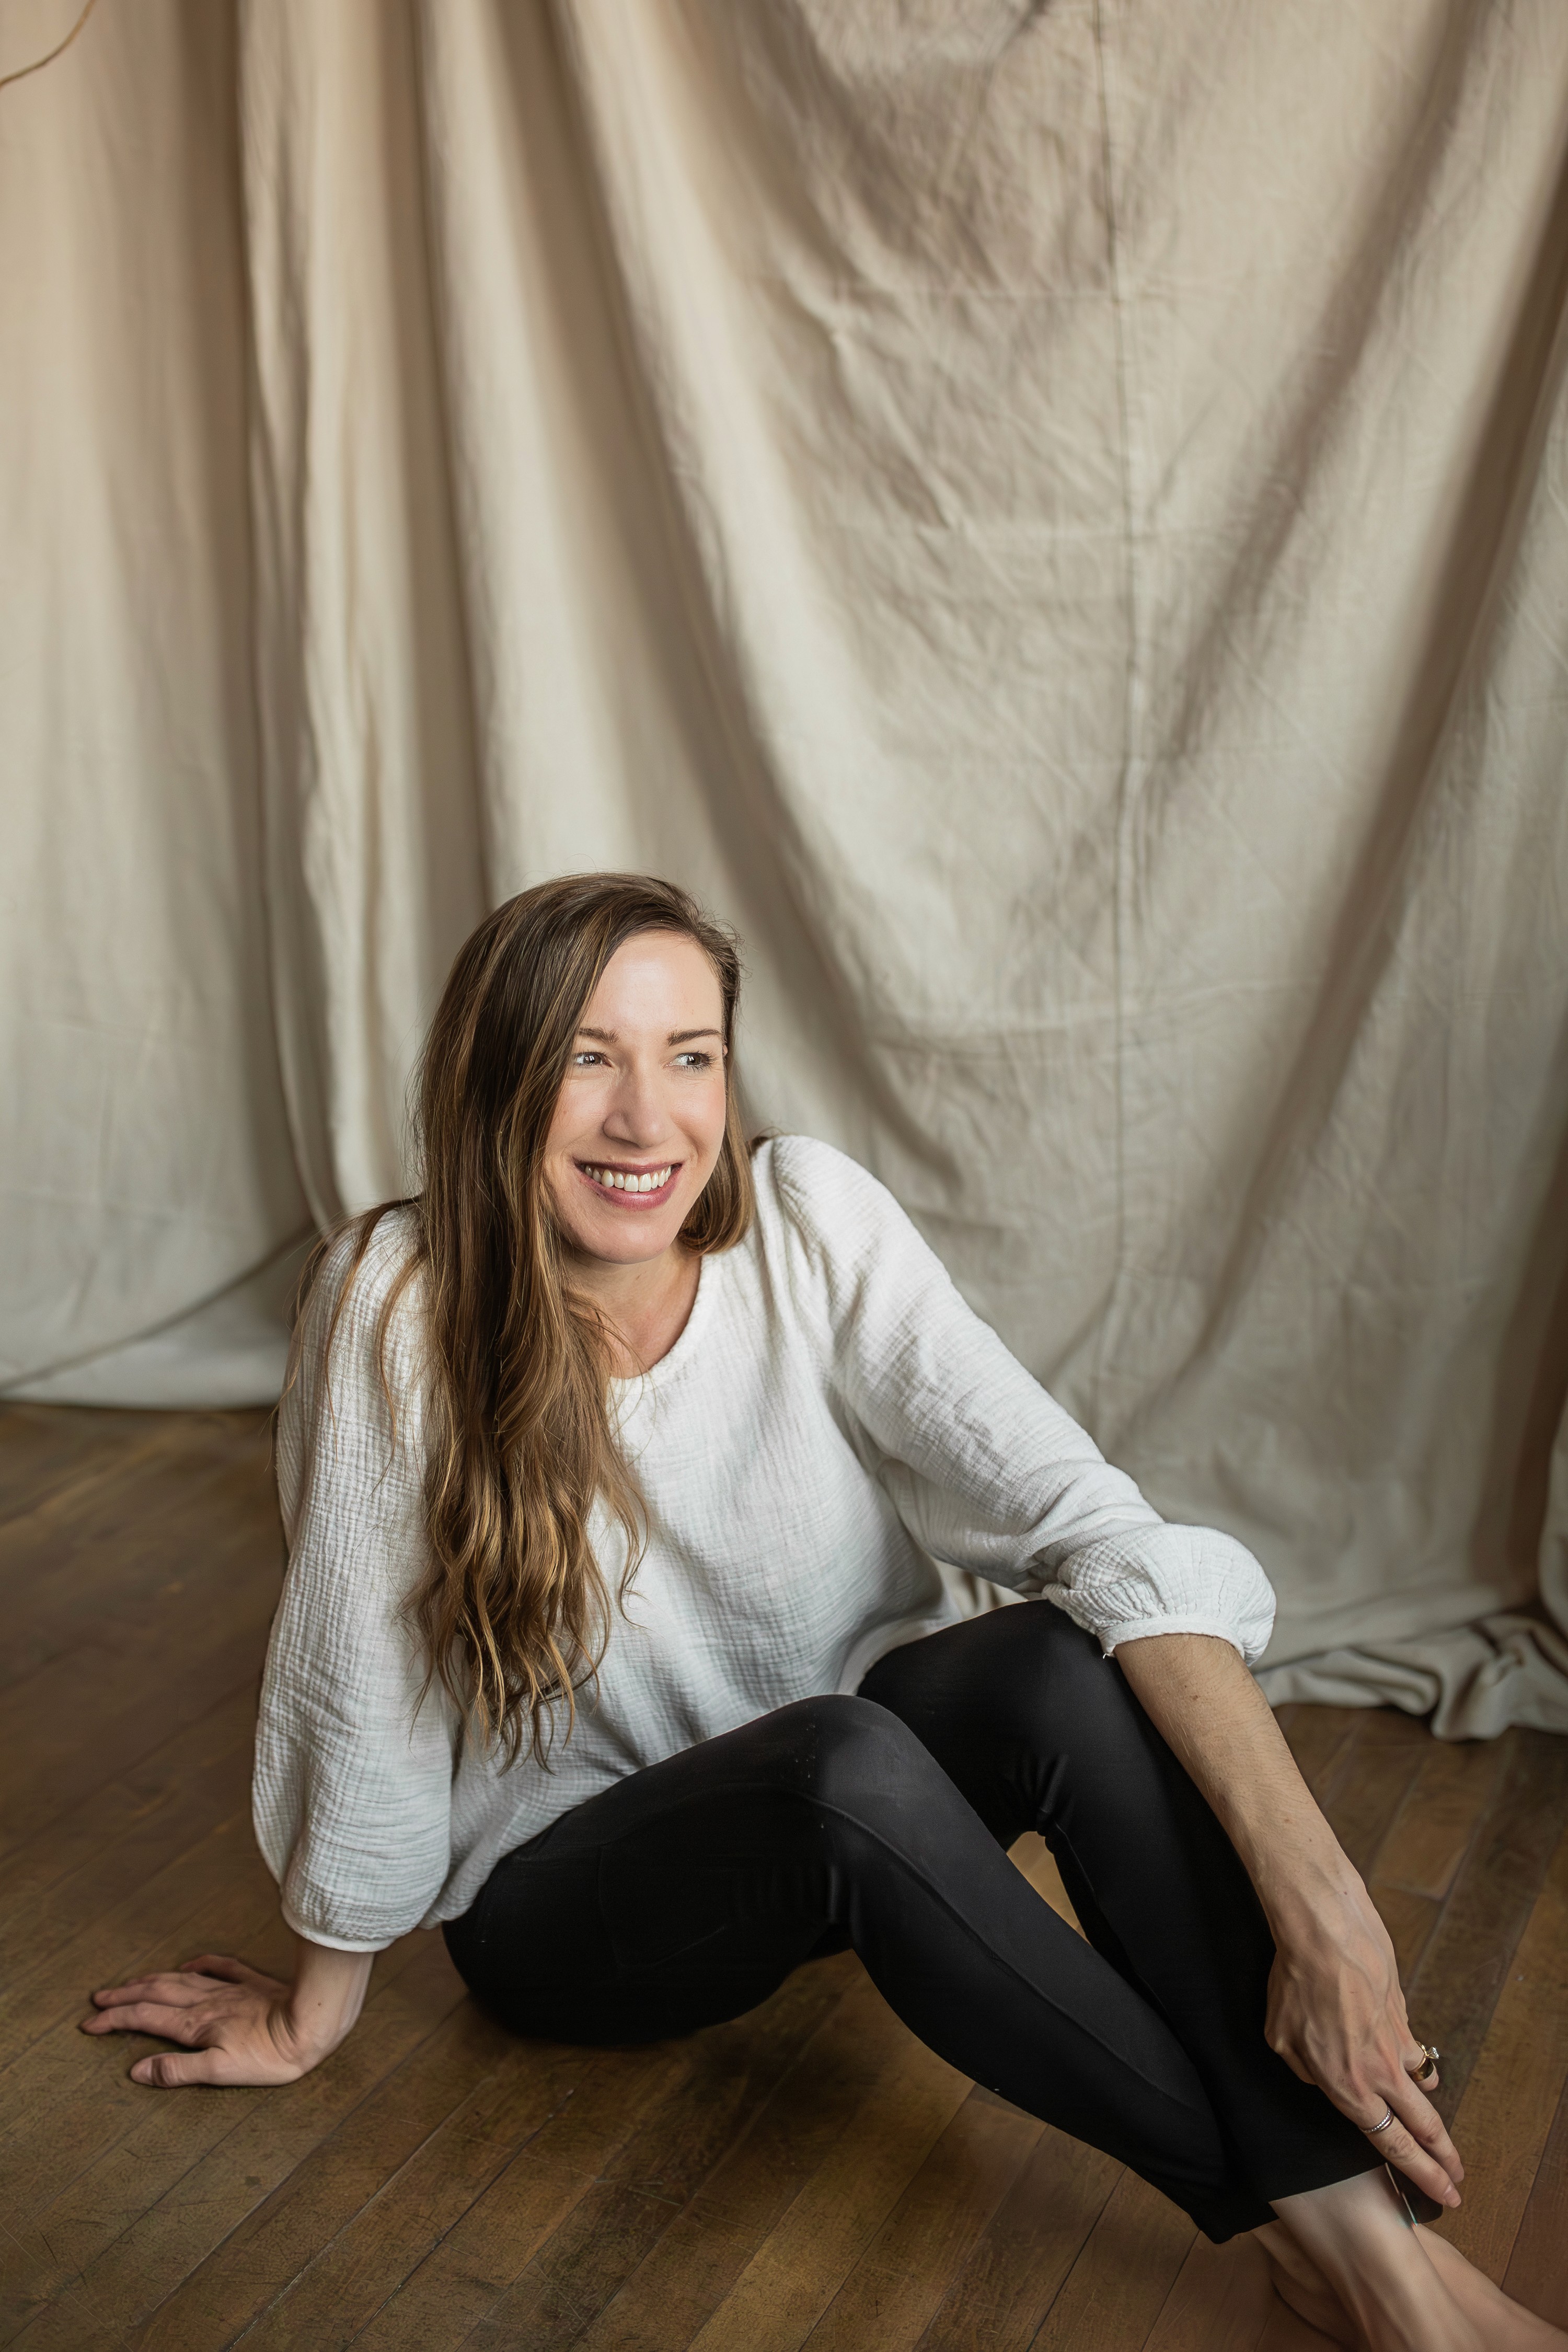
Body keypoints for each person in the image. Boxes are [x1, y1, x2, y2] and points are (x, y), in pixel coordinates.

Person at [87, 875, 1562, 2352]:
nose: (645, 1116)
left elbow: (1095, 1527)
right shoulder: (395, 1302)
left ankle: (1354, 2251)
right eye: (588, 1054)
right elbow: (358, 1675)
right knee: (838, 1767)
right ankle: (1376, 2268)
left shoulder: (805, 1225)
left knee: (1061, 1658)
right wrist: (314, 2001)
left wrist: (1328, 1910)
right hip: (564, 1905)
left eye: (690, 1054)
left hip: (834, 1817)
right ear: (500, 1076)